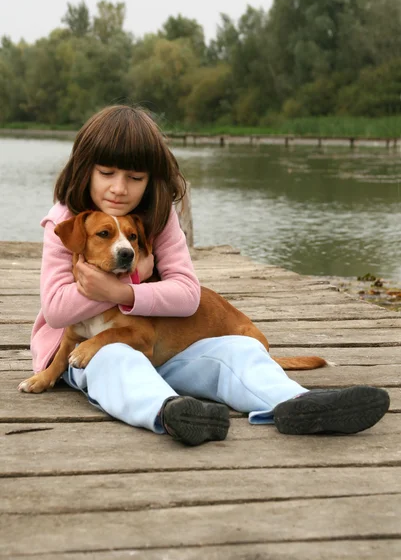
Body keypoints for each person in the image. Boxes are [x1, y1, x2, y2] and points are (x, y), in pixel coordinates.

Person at [27, 105, 390, 446]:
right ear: (84, 170)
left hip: (169, 350)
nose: (119, 188)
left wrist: (127, 292)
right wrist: (109, 287)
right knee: (116, 359)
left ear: (152, 180)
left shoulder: (157, 218)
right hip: (86, 354)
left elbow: (187, 295)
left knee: (240, 350)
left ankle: (296, 403)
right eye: (107, 173)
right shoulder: (65, 220)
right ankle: (170, 412)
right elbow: (57, 311)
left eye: (135, 177)